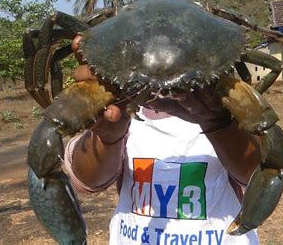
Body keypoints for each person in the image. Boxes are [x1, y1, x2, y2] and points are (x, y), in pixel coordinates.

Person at [64, 65, 263, 244]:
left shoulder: (224, 107)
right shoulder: (120, 106)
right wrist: (108, 137)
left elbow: (260, 174)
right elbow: (86, 180)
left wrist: (217, 123)